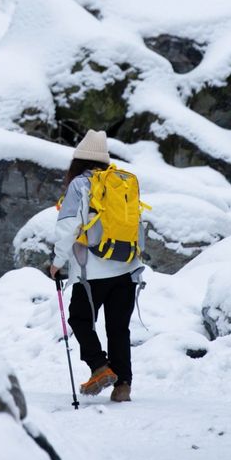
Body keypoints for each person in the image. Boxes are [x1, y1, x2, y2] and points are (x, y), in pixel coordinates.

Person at [49, 129, 145, 402]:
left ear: (78, 161)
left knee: (80, 319)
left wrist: (57, 262)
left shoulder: (79, 185)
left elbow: (68, 226)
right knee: (118, 328)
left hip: (91, 272)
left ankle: (100, 368)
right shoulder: (121, 182)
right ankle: (122, 386)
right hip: (127, 269)